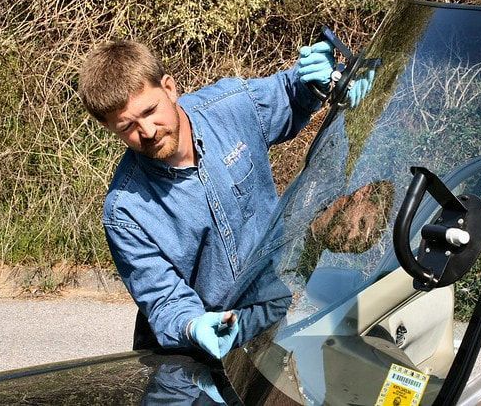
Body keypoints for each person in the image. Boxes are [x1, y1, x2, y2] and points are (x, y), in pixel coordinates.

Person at [78, 39, 337, 359]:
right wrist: (193, 326)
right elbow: (165, 301)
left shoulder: (232, 108)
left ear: (170, 88)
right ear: (108, 128)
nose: (147, 131)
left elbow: (290, 95)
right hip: (193, 354)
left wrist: (315, 82)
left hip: (271, 321)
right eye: (127, 126)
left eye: (149, 111)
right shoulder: (126, 211)